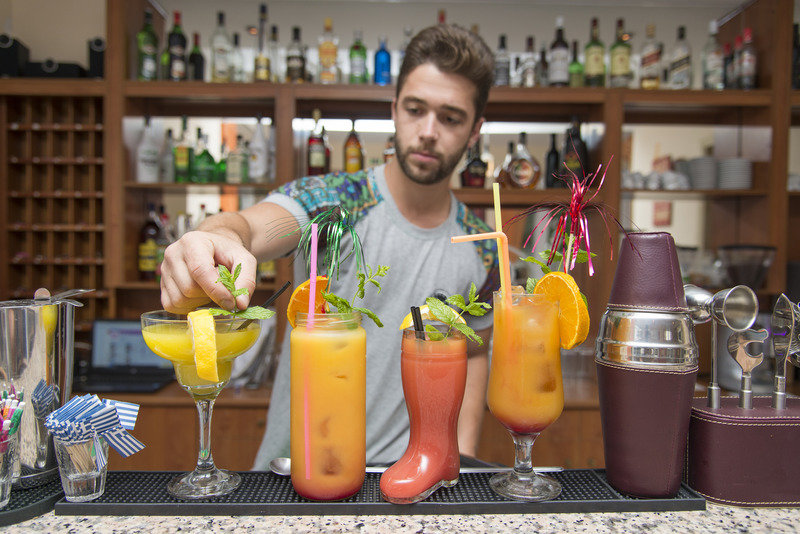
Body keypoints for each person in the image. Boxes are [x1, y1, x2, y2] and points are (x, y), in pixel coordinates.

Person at [159, 24, 499, 467]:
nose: (429, 131)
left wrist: (463, 460)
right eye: (416, 109)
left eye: (451, 118)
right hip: (299, 476)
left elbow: (474, 352)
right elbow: (251, 228)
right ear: (395, 110)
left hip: (412, 481)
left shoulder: (482, 245)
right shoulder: (334, 202)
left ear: (475, 131)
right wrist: (217, 238)